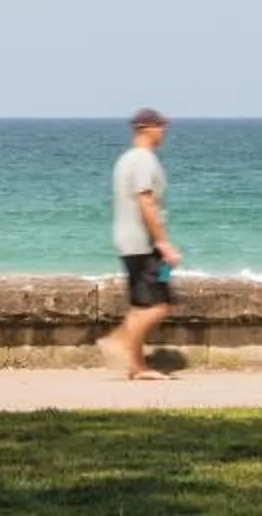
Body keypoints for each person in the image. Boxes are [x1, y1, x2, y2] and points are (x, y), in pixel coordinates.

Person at [97, 108, 180, 380]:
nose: (164, 131)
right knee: (163, 302)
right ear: (147, 127)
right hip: (145, 245)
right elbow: (145, 202)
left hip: (129, 242)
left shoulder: (125, 160)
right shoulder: (144, 160)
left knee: (140, 305)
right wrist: (163, 243)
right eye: (161, 126)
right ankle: (119, 339)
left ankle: (138, 367)